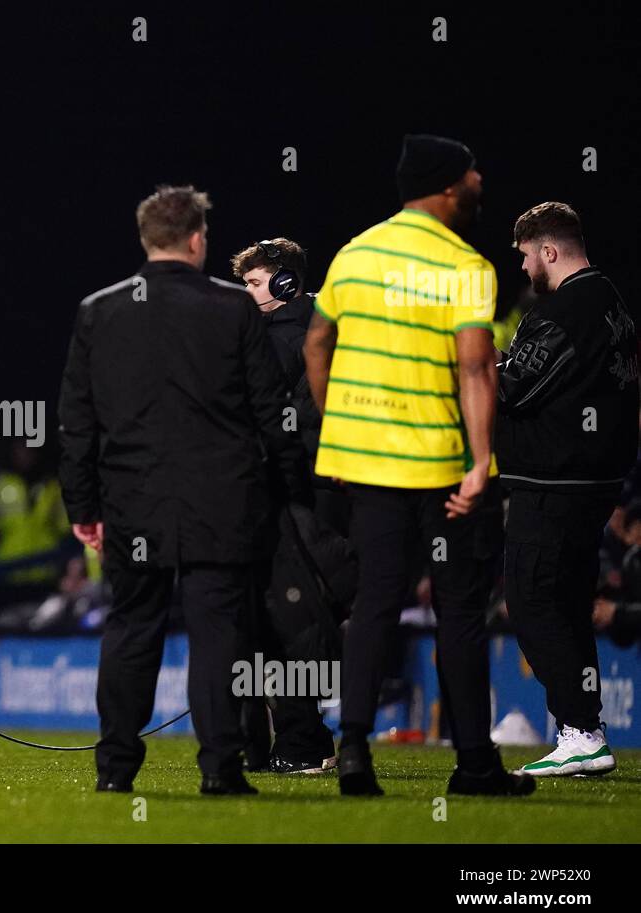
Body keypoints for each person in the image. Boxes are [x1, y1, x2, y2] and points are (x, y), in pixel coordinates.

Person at [58, 185, 309, 795]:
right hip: (223, 502)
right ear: (198, 239)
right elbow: (271, 412)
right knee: (219, 632)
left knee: (132, 627)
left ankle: (115, 770)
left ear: (148, 239)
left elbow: (75, 422)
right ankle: (221, 770)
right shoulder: (235, 308)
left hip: (132, 502)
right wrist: (292, 487)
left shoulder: (100, 309)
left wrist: (82, 508)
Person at [304, 133, 532, 797]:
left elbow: (317, 342)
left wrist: (338, 431)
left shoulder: (355, 253)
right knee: (458, 612)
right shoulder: (465, 264)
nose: (478, 181)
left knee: (374, 602)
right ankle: (474, 765)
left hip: (367, 469)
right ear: (446, 186)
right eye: (470, 173)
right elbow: (475, 367)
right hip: (439, 467)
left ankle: (352, 751)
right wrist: (481, 461)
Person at [496, 201, 638, 777]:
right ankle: (584, 732)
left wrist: (476, 362)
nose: (525, 267)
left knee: (530, 600)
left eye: (527, 255)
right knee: (569, 605)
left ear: (548, 251)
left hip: (555, 483)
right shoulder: (612, 301)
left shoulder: (566, 309)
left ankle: (581, 731)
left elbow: (512, 389)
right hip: (596, 481)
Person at [231, 237, 340, 774]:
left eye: (253, 282)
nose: (245, 292)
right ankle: (284, 742)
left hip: (297, 498)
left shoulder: (287, 339)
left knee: (290, 622)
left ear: (285, 282)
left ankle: (301, 743)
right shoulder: (322, 326)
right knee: (282, 621)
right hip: (312, 494)